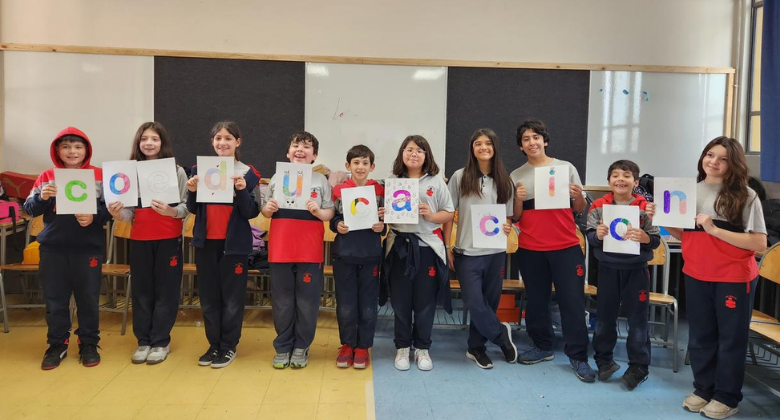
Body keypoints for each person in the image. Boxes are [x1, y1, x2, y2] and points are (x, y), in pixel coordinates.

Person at [664, 137, 766, 419]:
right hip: (696, 274)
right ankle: (703, 390)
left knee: (730, 339)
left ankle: (726, 397)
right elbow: (688, 238)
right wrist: (664, 219)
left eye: (722, 158)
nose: (714, 162)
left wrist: (715, 229)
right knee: (700, 337)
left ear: (732, 164)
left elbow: (758, 244)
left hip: (733, 277)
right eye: (710, 155)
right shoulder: (688, 191)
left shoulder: (746, 195)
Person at [509, 118, 595, 382]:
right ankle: (542, 346)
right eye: (526, 139)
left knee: (572, 302)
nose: (531, 142)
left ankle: (578, 357)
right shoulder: (516, 175)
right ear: (521, 146)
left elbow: (580, 208)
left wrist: (577, 194)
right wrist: (518, 200)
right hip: (531, 248)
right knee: (536, 301)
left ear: (544, 140)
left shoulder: (565, 167)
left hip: (566, 246)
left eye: (536, 137)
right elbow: (515, 216)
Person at [24, 127, 111, 369]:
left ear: (86, 150)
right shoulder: (47, 176)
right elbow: (29, 209)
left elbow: (109, 211)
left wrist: (94, 217)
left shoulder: (100, 175)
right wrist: (42, 197)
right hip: (53, 248)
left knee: (88, 299)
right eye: (66, 146)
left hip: (88, 248)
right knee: (55, 300)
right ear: (57, 150)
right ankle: (57, 344)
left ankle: (89, 343)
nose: (72, 151)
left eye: (78, 146)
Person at [107, 122, 189, 365]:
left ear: (162, 143)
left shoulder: (176, 171)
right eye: (144, 139)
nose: (149, 143)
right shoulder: (128, 173)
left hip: (168, 239)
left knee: (166, 291)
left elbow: (186, 206)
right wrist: (117, 213)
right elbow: (128, 213)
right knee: (142, 292)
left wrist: (171, 211)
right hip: (140, 240)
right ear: (138, 143)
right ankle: (143, 341)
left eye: (154, 139)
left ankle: (161, 341)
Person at [186, 121, 261, 369]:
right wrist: (192, 191)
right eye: (218, 138)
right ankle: (214, 344)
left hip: (234, 246)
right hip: (206, 242)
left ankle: (229, 346)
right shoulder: (200, 169)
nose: (223, 143)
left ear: (238, 142)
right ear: (213, 142)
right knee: (208, 298)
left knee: (231, 299)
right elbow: (193, 209)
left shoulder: (250, 174)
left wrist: (241, 190)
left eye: (228, 138)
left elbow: (251, 212)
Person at [442, 128, 518, 369]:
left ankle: (476, 348)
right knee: (475, 302)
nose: (483, 147)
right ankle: (501, 336)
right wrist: (447, 246)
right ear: (472, 149)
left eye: (488, 143)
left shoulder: (505, 180)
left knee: (488, 303)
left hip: (495, 253)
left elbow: (508, 217)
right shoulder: (459, 176)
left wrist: (507, 226)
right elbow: (447, 213)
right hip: (467, 253)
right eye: (478, 144)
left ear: (495, 148)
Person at [262, 131, 334, 369]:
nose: (300, 150)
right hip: (280, 249)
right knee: (282, 301)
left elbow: (329, 213)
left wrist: (318, 212)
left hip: (309, 250)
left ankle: (302, 346)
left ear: (314, 155)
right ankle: (282, 346)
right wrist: (269, 208)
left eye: (307, 147)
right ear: (288, 152)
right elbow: (265, 211)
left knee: (307, 301)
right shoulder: (276, 178)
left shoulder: (320, 181)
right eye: (296, 145)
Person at [586, 159, 659, 389]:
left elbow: (655, 240)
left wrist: (645, 238)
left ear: (635, 182)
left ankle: (639, 366)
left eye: (626, 176)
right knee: (605, 318)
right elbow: (590, 238)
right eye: (615, 175)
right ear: (609, 181)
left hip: (636, 271)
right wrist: (597, 235)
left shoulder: (645, 207)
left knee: (637, 321)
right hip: (607, 269)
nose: (620, 179)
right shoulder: (598, 205)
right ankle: (604, 360)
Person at [384, 135, 454, 371]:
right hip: (400, 248)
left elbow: (449, 213)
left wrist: (431, 215)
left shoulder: (435, 181)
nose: (414, 154)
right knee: (401, 302)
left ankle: (422, 348)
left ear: (427, 156)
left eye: (419, 151)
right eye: (409, 149)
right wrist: (384, 214)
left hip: (427, 248)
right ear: (402, 153)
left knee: (425, 302)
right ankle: (402, 348)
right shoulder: (393, 180)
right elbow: (387, 220)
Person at [331, 145, 385, 369]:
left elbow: (385, 225)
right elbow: (333, 219)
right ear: (348, 166)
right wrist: (337, 225)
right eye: (356, 163)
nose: (360, 167)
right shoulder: (339, 191)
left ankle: (363, 346)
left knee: (368, 305)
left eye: (365, 163)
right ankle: (347, 344)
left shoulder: (380, 192)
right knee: (345, 304)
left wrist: (382, 225)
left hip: (370, 254)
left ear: (372, 167)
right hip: (345, 254)